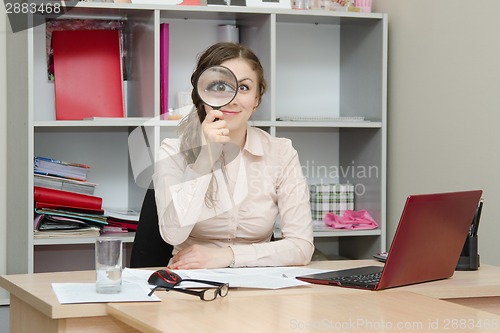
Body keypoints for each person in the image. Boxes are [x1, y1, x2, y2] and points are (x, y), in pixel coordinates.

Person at [153, 42, 314, 269]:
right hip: (192, 280)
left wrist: (225, 256)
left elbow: (301, 247)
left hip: (261, 284)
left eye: (245, 88)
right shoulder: (172, 151)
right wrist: (205, 159)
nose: (232, 99)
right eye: (219, 87)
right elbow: (172, 234)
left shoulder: (281, 152)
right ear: (201, 95)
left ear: (257, 99)